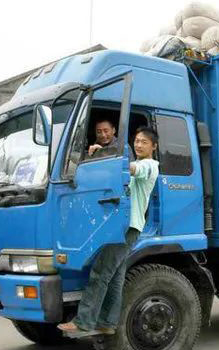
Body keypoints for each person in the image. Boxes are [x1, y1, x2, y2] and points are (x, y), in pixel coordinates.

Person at [58, 127, 160, 335]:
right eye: (137, 141)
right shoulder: (138, 163)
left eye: (144, 142)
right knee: (115, 276)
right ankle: (107, 322)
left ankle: (84, 321)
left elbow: (129, 169)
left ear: (154, 147)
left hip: (127, 227)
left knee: (101, 272)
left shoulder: (150, 166)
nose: (139, 145)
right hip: (123, 225)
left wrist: (103, 155)